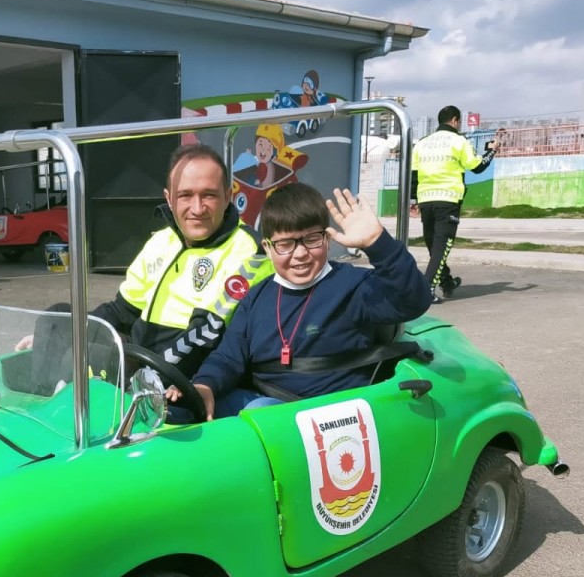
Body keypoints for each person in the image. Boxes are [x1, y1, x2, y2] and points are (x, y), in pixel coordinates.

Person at [191, 183, 431, 420]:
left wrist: (378, 243)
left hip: (332, 419)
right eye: (285, 244)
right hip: (265, 406)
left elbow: (414, 300)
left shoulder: (353, 286)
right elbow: (228, 356)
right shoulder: (255, 298)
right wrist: (205, 385)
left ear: (327, 238)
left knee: (261, 411)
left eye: (312, 239)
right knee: (187, 410)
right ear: (268, 247)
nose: (300, 253)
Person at [88, 143, 275, 383]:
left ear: (228, 196)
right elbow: (122, 311)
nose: (197, 209)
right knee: (59, 322)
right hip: (138, 356)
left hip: (184, 374)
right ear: (169, 198)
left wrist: (145, 378)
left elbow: (205, 336)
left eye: (209, 195)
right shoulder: (161, 240)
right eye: (185, 195)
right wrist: (62, 336)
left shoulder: (249, 250)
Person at [409, 105, 498, 303]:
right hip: (448, 199)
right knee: (441, 246)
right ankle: (426, 289)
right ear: (455, 120)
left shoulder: (422, 143)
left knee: (434, 245)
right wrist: (491, 151)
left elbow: (413, 175)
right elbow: (477, 167)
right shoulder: (459, 141)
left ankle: (447, 282)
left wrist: (413, 200)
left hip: (425, 200)